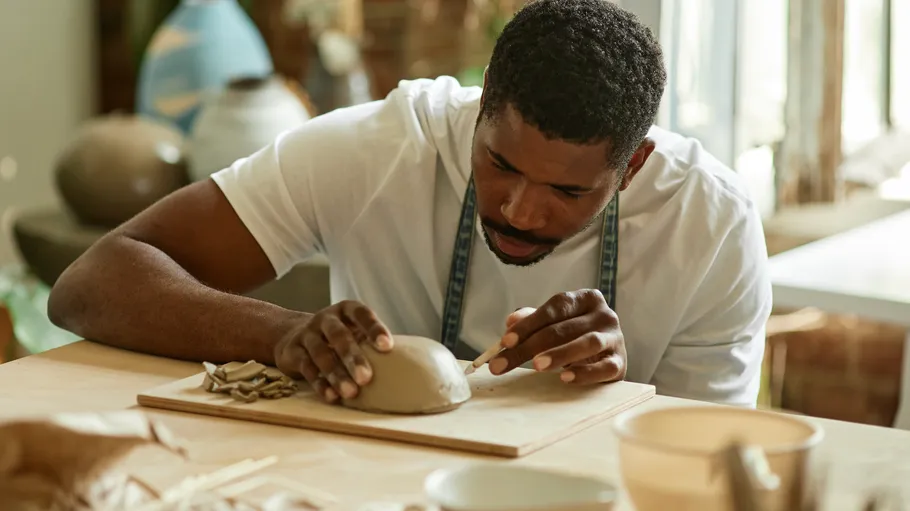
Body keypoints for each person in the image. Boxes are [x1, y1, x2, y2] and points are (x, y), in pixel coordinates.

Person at [48, 0, 772, 408]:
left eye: (567, 191)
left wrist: (621, 398)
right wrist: (284, 333)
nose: (520, 209)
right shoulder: (377, 149)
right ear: (481, 102)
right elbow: (93, 283)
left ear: (633, 164)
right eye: (498, 163)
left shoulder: (711, 227)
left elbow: (703, 470)